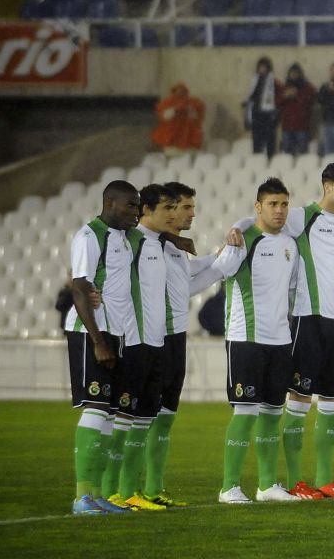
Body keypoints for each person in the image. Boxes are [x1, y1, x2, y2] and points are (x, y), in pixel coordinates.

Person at [227, 163, 334, 499]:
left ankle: (324, 479)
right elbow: (257, 220)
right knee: (299, 399)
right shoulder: (301, 216)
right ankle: (294, 481)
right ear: (326, 186)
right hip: (308, 320)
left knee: (333, 399)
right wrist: (236, 226)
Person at [212, 178, 303, 505]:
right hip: (245, 338)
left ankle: (267, 486)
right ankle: (229, 487)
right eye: (272, 204)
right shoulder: (242, 240)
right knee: (246, 411)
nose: (279, 211)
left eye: (284, 204)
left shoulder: (291, 246)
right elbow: (217, 272)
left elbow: (293, 292)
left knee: (272, 412)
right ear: (258, 207)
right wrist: (233, 235)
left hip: (280, 340)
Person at [64, 180, 139, 515]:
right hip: (92, 332)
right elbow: (79, 287)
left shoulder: (122, 238)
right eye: (130, 206)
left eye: (137, 206)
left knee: (108, 414)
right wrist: (98, 341)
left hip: (117, 331)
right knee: (95, 409)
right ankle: (82, 497)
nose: (135, 213)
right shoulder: (89, 236)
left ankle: (96, 495)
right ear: (110, 202)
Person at [109, 184, 182, 512]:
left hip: (157, 344)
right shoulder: (130, 242)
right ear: (147, 210)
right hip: (134, 343)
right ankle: (110, 492)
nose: (174, 214)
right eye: (167, 208)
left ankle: (130, 491)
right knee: (123, 420)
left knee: (142, 421)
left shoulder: (159, 244)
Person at [147, 182, 220, 507]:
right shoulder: (147, 244)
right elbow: (184, 287)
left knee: (165, 414)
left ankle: (153, 488)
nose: (191, 213)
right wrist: (220, 265)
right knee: (141, 417)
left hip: (175, 336)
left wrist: (218, 262)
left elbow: (184, 281)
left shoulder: (171, 245)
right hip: (152, 338)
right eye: (185, 207)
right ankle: (127, 489)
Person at [151, 83, 204, 154]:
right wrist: (175, 110)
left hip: (187, 134)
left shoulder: (193, 102)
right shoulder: (167, 102)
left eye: (183, 91)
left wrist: (189, 109)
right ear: (174, 91)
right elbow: (164, 116)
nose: (180, 93)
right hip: (172, 134)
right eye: (178, 90)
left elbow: (197, 116)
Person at [244, 57, 280, 159]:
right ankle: (257, 159)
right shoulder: (254, 81)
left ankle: (270, 158)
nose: (262, 69)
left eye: (264, 67)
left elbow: (279, 97)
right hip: (256, 113)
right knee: (257, 140)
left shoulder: (274, 82)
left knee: (269, 140)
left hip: (268, 114)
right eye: (260, 67)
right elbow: (251, 96)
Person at [278, 62, 315, 157]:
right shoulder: (284, 88)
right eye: (292, 73)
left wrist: (296, 95)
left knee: (303, 154)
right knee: (286, 154)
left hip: (301, 126)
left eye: (296, 73)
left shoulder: (307, 87)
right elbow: (276, 102)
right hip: (287, 126)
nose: (293, 75)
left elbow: (310, 101)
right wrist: (285, 96)